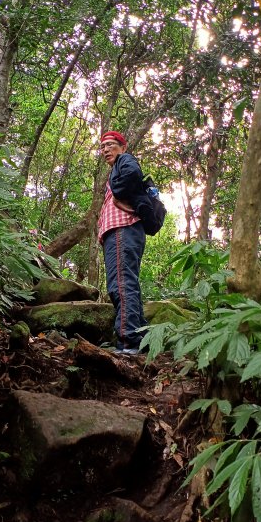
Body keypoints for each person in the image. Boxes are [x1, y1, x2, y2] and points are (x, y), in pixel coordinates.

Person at [97, 130, 152, 355]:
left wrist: (118, 191)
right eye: (103, 147)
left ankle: (128, 341)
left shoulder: (125, 161)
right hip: (122, 232)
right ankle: (140, 339)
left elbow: (133, 174)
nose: (106, 150)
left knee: (120, 284)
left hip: (122, 228)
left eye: (111, 145)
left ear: (122, 147)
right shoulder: (116, 168)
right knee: (127, 282)